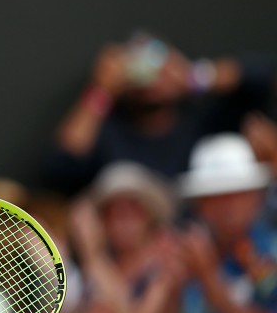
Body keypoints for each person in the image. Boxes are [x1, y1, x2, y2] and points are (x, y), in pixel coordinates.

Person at [43, 32, 276, 196]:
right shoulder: (110, 133)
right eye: (138, 66)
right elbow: (61, 165)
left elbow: (262, 77)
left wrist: (195, 77)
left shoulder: (201, 121)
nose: (150, 75)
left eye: (157, 62)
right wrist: (101, 89)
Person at [174, 133, 277, 313]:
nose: (229, 206)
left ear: (256, 198)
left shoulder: (271, 251)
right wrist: (167, 289)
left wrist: (209, 277)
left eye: (238, 194)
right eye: (216, 196)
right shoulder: (184, 253)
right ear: (199, 205)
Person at [69, 161, 183, 313]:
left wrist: (92, 255)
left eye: (133, 211)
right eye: (115, 212)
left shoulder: (166, 261)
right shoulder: (99, 264)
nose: (124, 220)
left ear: (149, 216)